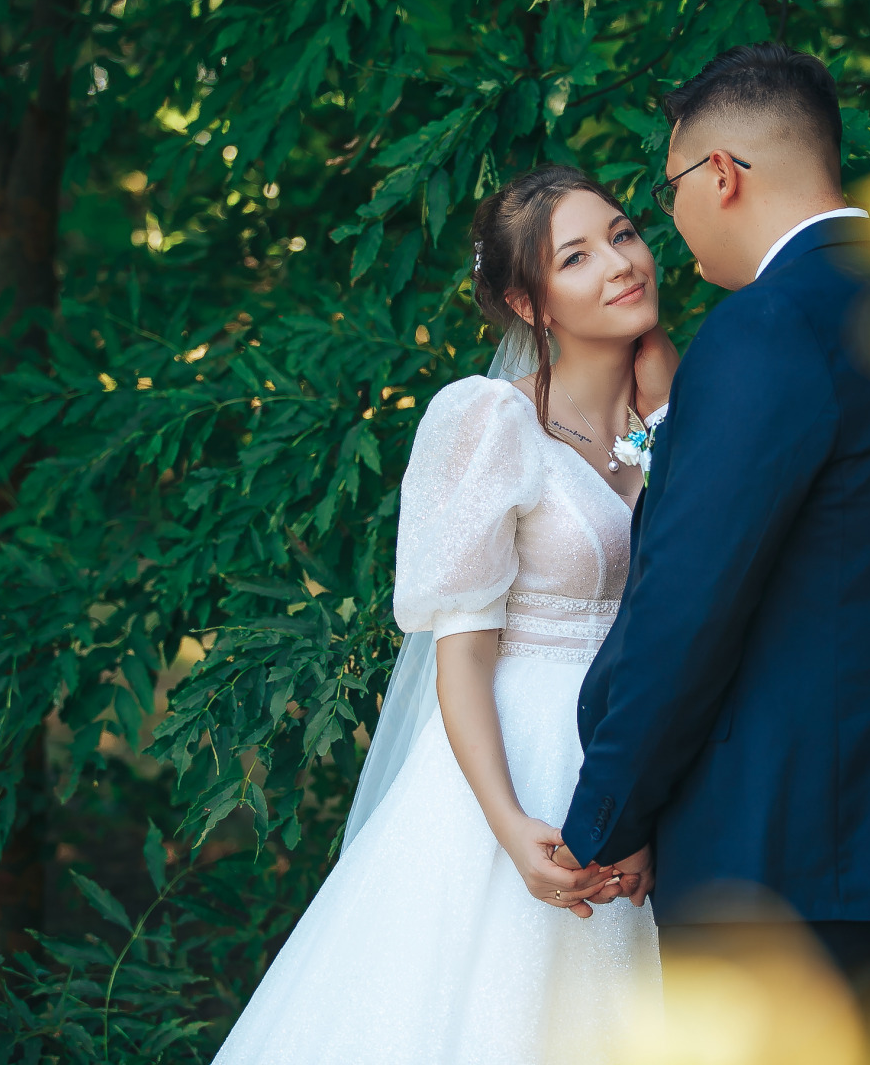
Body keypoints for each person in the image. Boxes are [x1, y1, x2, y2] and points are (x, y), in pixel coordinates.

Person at [553, 43, 870, 1036]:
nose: (669, 225)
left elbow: (689, 601)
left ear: (719, 174)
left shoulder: (764, 329)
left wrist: (606, 817)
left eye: (670, 189)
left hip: (766, 831)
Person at [208, 164, 678, 1065]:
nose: (620, 263)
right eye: (575, 257)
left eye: (623, 234)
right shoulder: (487, 422)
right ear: (528, 303)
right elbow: (461, 656)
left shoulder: (661, 413)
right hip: (515, 758)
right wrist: (505, 825)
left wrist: (663, 392)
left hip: (639, 745)